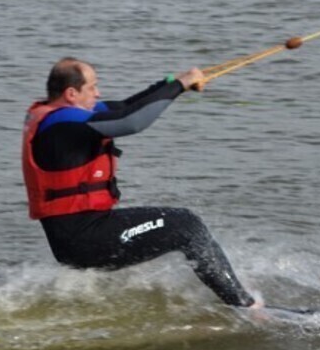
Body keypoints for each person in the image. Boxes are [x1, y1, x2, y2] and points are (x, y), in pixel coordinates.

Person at [21, 57, 260, 308]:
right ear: (71, 93)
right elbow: (130, 122)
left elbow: (127, 106)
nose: (98, 92)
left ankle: (235, 299)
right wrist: (179, 85)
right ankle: (246, 307)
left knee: (185, 225)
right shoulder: (63, 125)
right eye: (92, 87)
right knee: (186, 226)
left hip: (83, 235)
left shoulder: (60, 117)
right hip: (84, 241)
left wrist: (174, 82)